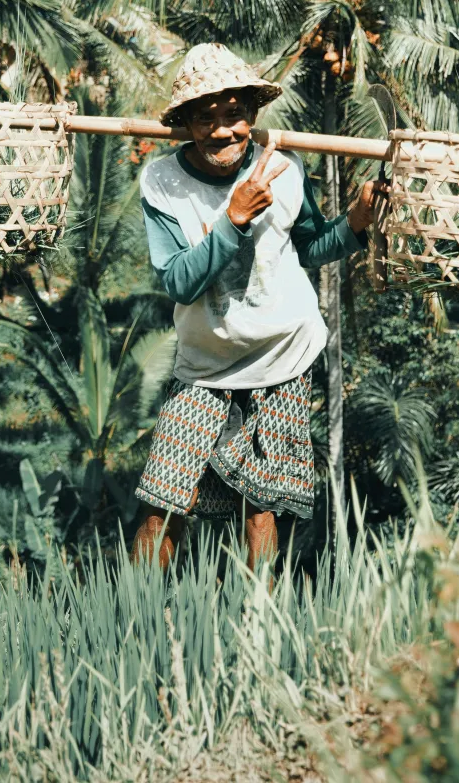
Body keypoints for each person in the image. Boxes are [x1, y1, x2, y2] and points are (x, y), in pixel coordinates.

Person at [131, 43, 383, 570]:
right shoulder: (163, 183)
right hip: (205, 365)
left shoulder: (284, 170)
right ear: (185, 124)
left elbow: (312, 247)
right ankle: (133, 619)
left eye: (235, 115)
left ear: (253, 114)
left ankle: (258, 629)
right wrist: (233, 220)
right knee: (164, 501)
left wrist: (357, 221)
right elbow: (179, 281)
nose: (223, 131)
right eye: (206, 118)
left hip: (283, 355)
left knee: (261, 507)